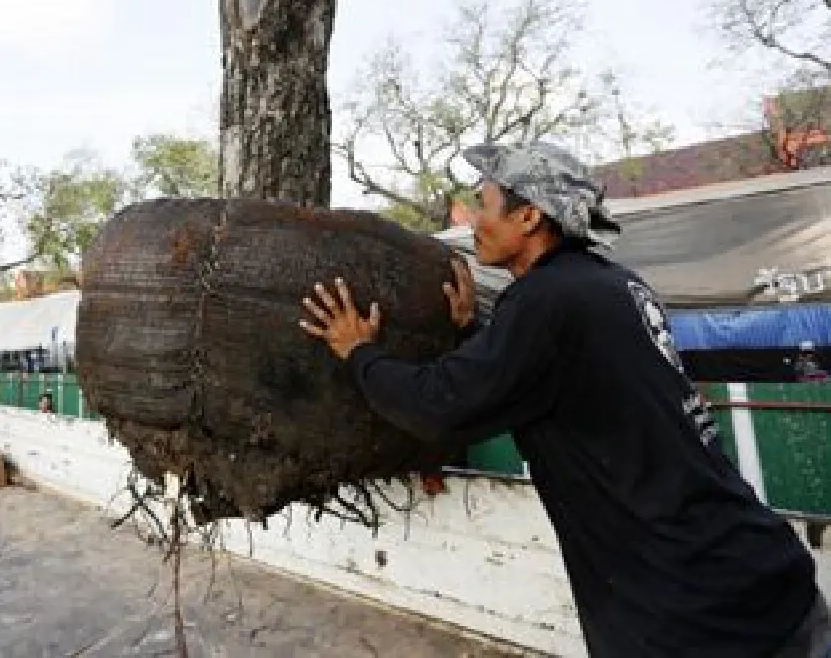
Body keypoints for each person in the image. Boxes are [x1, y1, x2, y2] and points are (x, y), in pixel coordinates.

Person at [298, 142, 827, 657]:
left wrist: (358, 352)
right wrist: (470, 333)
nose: (475, 221)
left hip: (691, 613)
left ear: (529, 217)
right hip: (760, 574)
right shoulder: (615, 286)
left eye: (484, 204)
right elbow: (556, 378)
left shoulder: (546, 301)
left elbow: (437, 407)